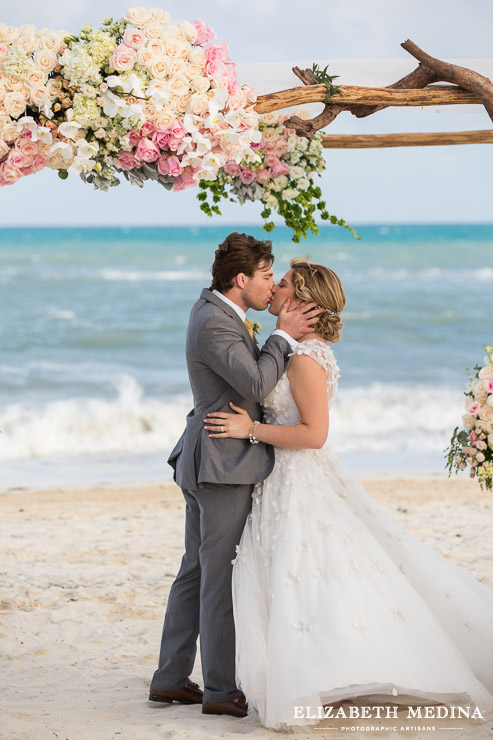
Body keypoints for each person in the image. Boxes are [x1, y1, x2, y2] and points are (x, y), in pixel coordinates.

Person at [203, 257, 493, 730]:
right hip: (285, 478)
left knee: (312, 573)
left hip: (298, 477)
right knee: (309, 573)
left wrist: (250, 428)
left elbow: (314, 434)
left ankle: (327, 676)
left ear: (303, 302)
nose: (275, 287)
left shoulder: (303, 357)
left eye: (285, 283)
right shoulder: (300, 348)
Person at [148, 234, 322, 718]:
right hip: (221, 463)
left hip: (210, 458)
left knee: (197, 570)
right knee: (216, 576)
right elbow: (258, 382)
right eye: (268, 277)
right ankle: (221, 690)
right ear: (241, 279)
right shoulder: (213, 323)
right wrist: (283, 337)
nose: (271, 286)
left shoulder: (218, 313)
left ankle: (169, 679)